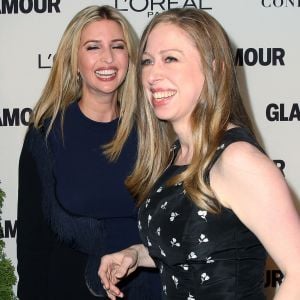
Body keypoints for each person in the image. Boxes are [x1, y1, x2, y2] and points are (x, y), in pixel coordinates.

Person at [98, 8, 300, 300]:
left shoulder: (237, 160)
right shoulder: (176, 155)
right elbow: (202, 248)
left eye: (171, 59)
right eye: (147, 61)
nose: (153, 74)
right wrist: (135, 254)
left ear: (214, 69)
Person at [17, 5, 161, 300]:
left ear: (130, 58)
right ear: (74, 61)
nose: (107, 58)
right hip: (70, 290)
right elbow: (32, 244)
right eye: (93, 47)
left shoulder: (154, 131)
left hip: (150, 291)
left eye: (117, 46)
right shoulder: (46, 135)